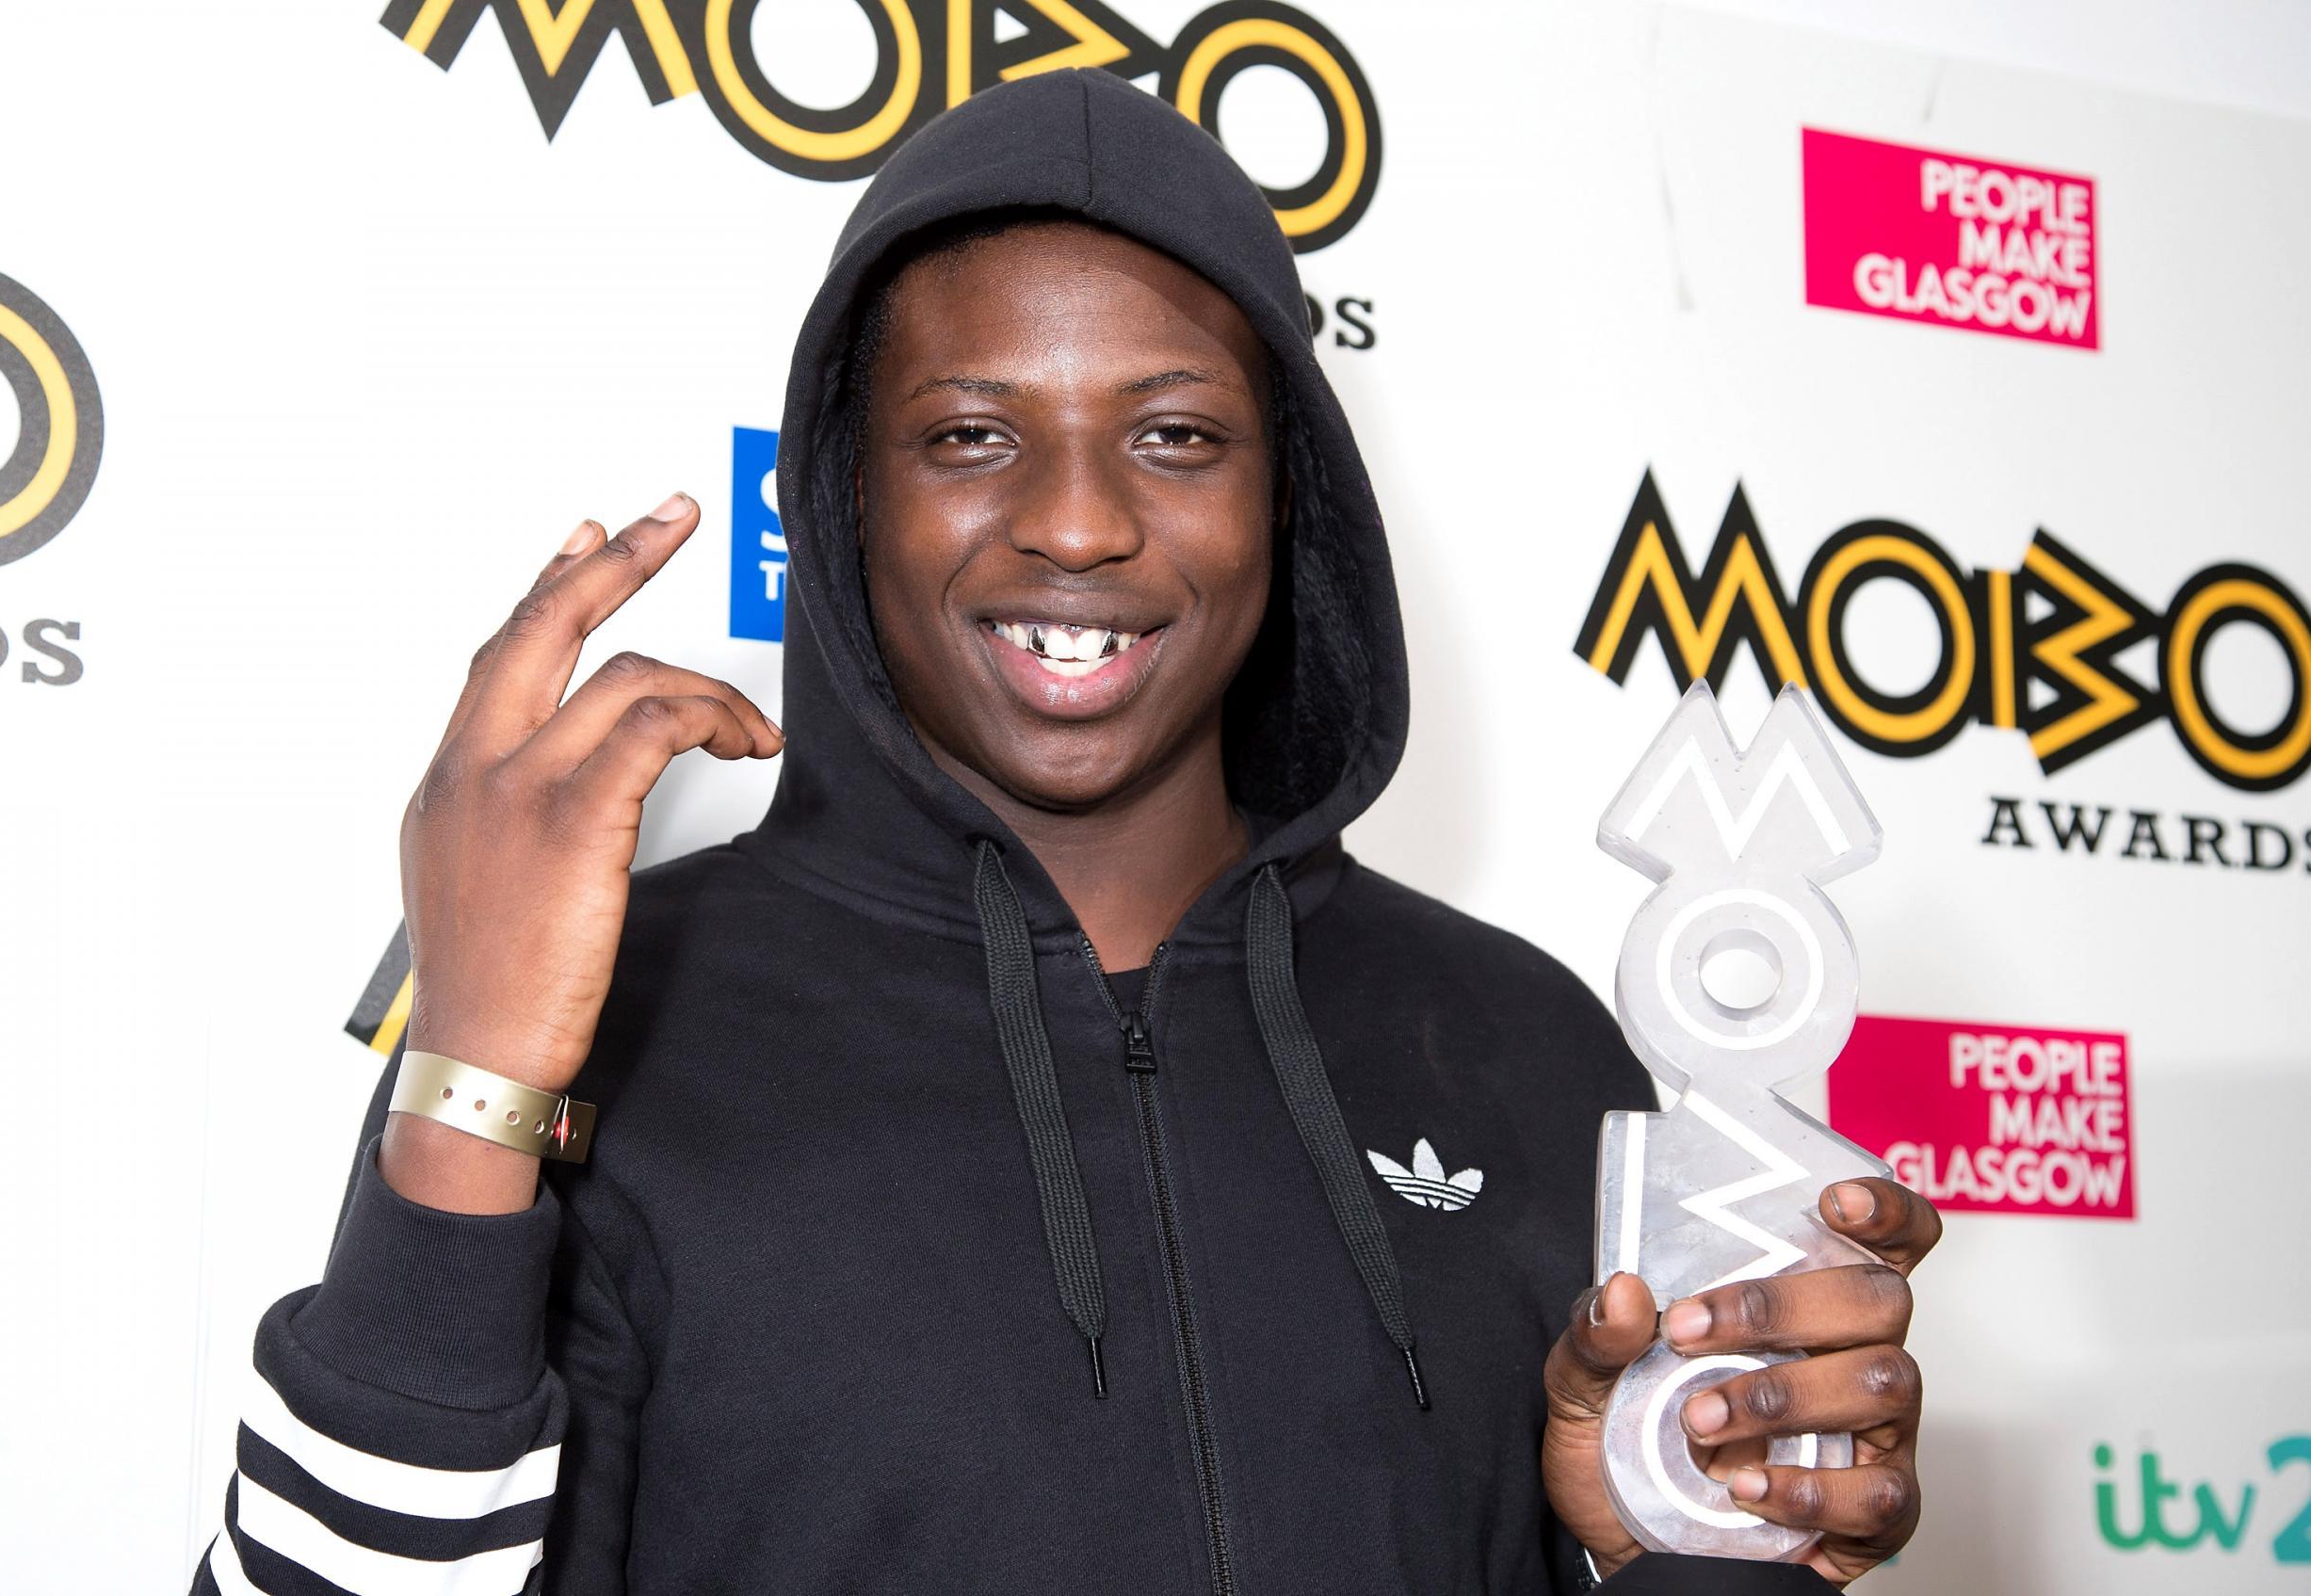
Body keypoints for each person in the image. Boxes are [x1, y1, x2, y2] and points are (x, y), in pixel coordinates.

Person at [189, 68, 1935, 1595]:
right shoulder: (584, 1019)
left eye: (1176, 435)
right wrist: (466, 1091)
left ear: (1292, 501)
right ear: (841, 492)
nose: (1081, 522)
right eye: (969, 435)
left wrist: (1671, 1549)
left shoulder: (1521, 1038)